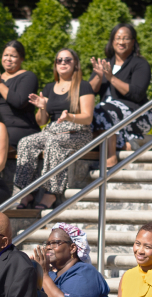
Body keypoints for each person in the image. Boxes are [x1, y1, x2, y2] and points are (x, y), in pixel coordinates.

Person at [16, 48, 96, 210]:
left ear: (75, 64)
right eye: (59, 60)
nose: (63, 63)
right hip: (54, 129)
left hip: (78, 131)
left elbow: (88, 117)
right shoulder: (49, 88)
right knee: (26, 142)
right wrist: (42, 107)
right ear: (55, 65)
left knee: (54, 142)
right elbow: (41, 121)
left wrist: (69, 117)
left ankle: (51, 192)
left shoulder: (83, 86)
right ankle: (25, 191)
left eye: (67, 60)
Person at [88, 23, 152, 168]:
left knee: (102, 110)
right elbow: (89, 93)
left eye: (126, 38)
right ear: (112, 42)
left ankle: (110, 160)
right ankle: (123, 144)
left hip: (138, 114)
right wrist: (99, 76)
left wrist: (111, 78)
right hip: (107, 115)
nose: (121, 42)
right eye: (118, 38)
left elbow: (136, 94)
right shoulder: (105, 64)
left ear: (133, 42)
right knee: (89, 114)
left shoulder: (140, 64)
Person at [0, 40, 40, 148]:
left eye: (13, 56)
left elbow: (19, 102)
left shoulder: (28, 77)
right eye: (5, 55)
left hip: (20, 128)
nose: (8, 59)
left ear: (21, 58)